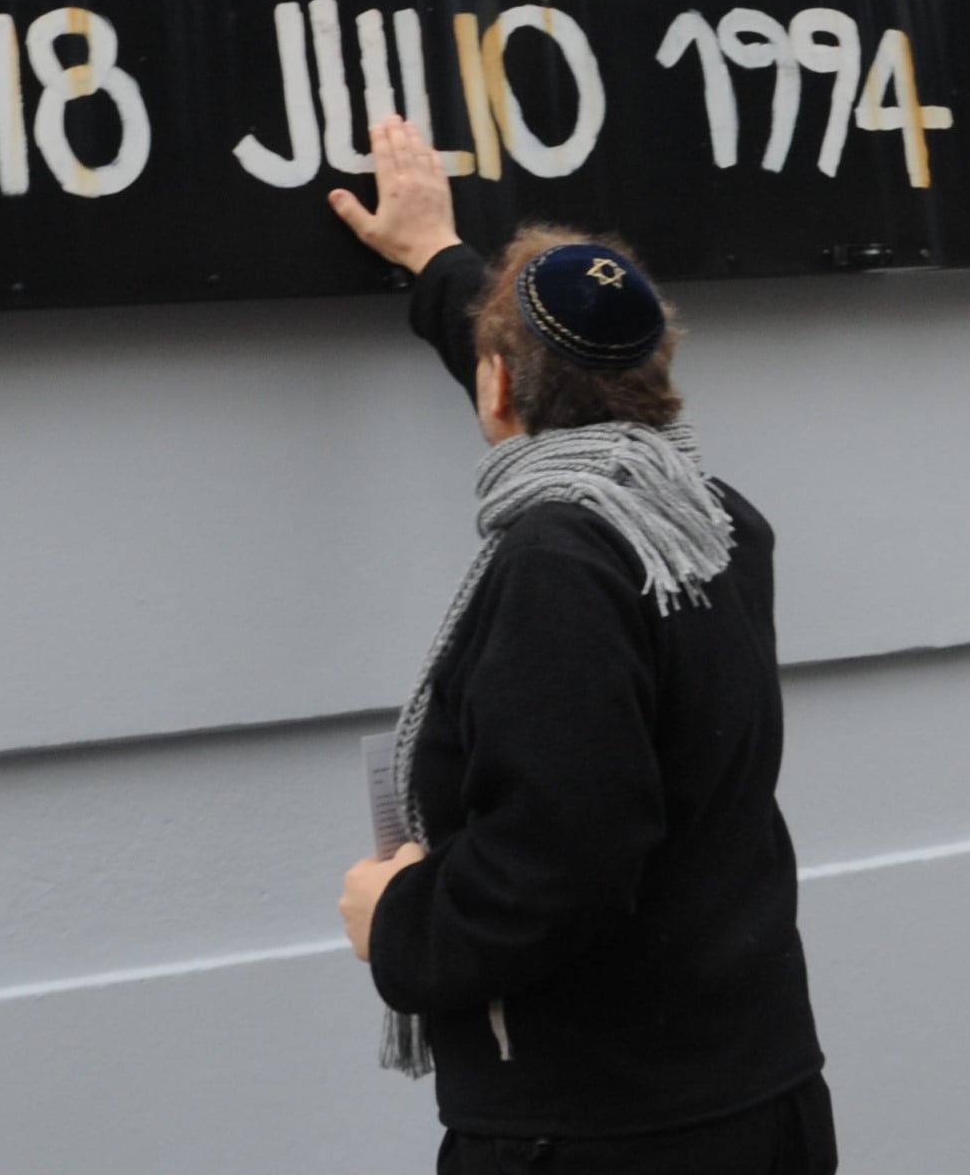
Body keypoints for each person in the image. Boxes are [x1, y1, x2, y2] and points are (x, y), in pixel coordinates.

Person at [328, 117, 834, 1175]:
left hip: (604, 1134)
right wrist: (433, 257)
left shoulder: (562, 560)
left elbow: (562, 860)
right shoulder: (706, 517)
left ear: (499, 387)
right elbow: (551, 375)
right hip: (755, 1095)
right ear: (653, 372)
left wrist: (403, 924)